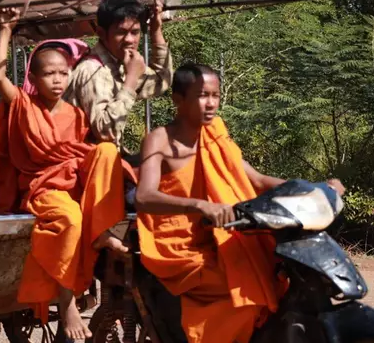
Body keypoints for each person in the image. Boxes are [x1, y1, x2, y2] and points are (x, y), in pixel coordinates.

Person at [134, 63, 345, 343]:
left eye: (215, 95)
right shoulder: (160, 139)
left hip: (228, 232)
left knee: (281, 272)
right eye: (201, 95)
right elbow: (144, 196)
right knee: (243, 293)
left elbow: (255, 179)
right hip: (182, 244)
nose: (211, 103)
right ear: (178, 99)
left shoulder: (216, 135)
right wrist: (198, 206)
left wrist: (311, 188)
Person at [0, 7, 130, 340]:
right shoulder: (23, 105)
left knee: (107, 150)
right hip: (45, 189)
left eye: (63, 73)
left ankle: (102, 228)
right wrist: (6, 28)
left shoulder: (75, 113)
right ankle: (67, 302)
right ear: (34, 77)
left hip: (76, 182)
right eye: (49, 74)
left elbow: (84, 155)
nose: (57, 80)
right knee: (70, 220)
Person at [64, 0, 173, 164]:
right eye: (121, 32)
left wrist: (156, 31)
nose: (129, 40)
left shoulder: (121, 64)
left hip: (111, 161)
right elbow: (105, 131)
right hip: (89, 167)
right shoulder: (93, 70)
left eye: (135, 32)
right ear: (101, 33)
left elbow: (161, 81)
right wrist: (131, 79)